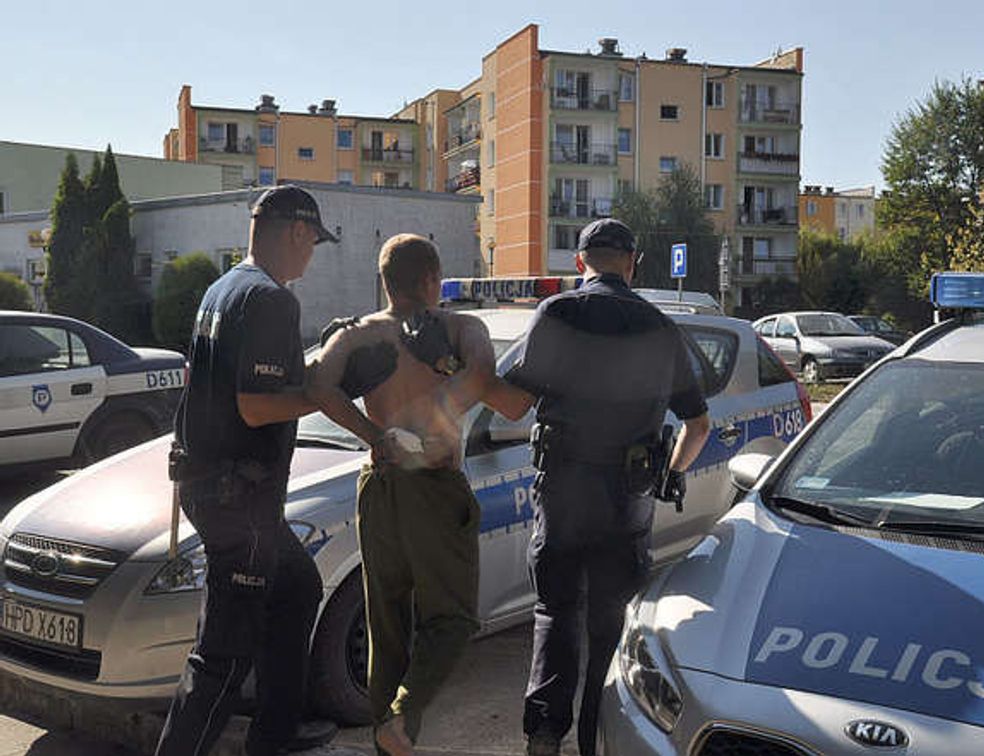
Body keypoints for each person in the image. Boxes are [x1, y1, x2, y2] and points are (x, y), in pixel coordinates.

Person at [488, 218, 712, 756]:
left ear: (579, 262)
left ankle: (544, 737)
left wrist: (471, 371)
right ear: (633, 264)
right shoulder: (662, 326)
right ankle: (599, 741)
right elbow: (698, 426)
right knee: (612, 631)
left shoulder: (558, 313)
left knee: (555, 615)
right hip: (627, 505)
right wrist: (671, 474)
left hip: (563, 500)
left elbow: (513, 405)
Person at [155, 185, 339, 756]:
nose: (312, 254)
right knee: (223, 656)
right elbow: (256, 405)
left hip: (217, 487)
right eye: (313, 241)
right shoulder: (271, 300)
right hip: (240, 501)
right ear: (296, 232)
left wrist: (318, 360)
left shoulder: (225, 288)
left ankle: (277, 731)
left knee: (299, 588)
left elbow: (248, 382)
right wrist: (328, 391)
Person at [306, 233, 500, 756]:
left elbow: (319, 387)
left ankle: (385, 740)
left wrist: (378, 435)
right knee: (453, 618)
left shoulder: (357, 334)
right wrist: (427, 423)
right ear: (433, 279)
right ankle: (400, 720)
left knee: (386, 624)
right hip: (432, 483)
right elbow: (482, 374)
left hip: (378, 481)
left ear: (384, 282)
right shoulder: (460, 326)